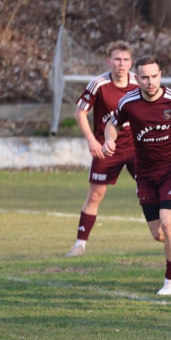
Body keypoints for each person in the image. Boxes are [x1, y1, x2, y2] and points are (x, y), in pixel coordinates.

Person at [103, 55, 171, 296]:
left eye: (154, 76)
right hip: (145, 172)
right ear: (137, 78)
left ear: (160, 75)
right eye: (144, 77)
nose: (150, 82)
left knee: (168, 223)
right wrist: (108, 139)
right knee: (160, 234)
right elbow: (112, 124)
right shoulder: (129, 102)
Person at [66, 41, 139, 257]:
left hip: (135, 146)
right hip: (106, 147)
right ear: (109, 61)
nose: (121, 64)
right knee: (96, 194)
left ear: (131, 62)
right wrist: (92, 140)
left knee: (153, 189)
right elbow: (80, 113)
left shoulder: (139, 82)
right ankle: (80, 244)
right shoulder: (98, 84)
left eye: (125, 60)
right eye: (117, 59)